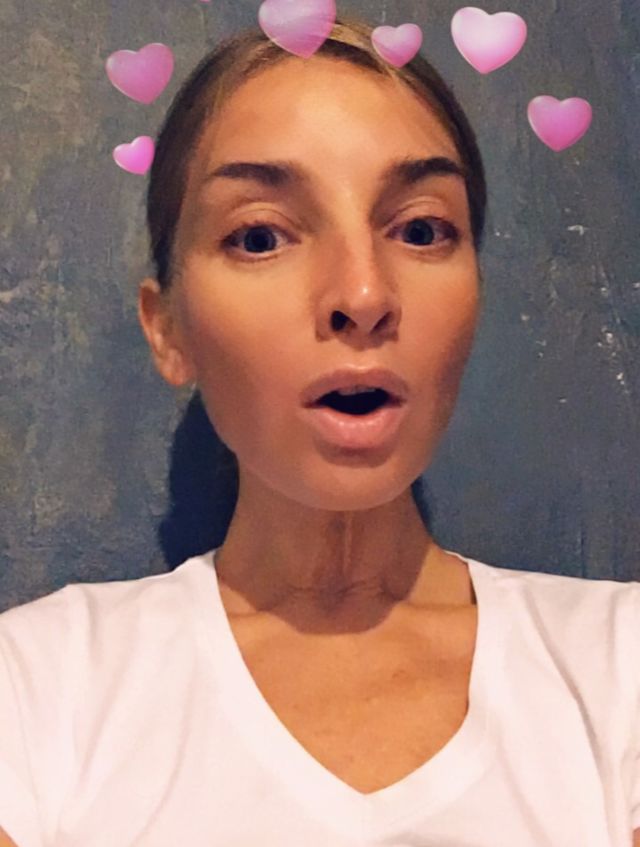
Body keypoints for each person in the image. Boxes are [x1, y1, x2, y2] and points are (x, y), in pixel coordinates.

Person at [1, 12, 639, 847]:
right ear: (169, 329)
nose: (364, 295)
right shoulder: (39, 689)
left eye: (421, 230)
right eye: (260, 235)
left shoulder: (618, 668)